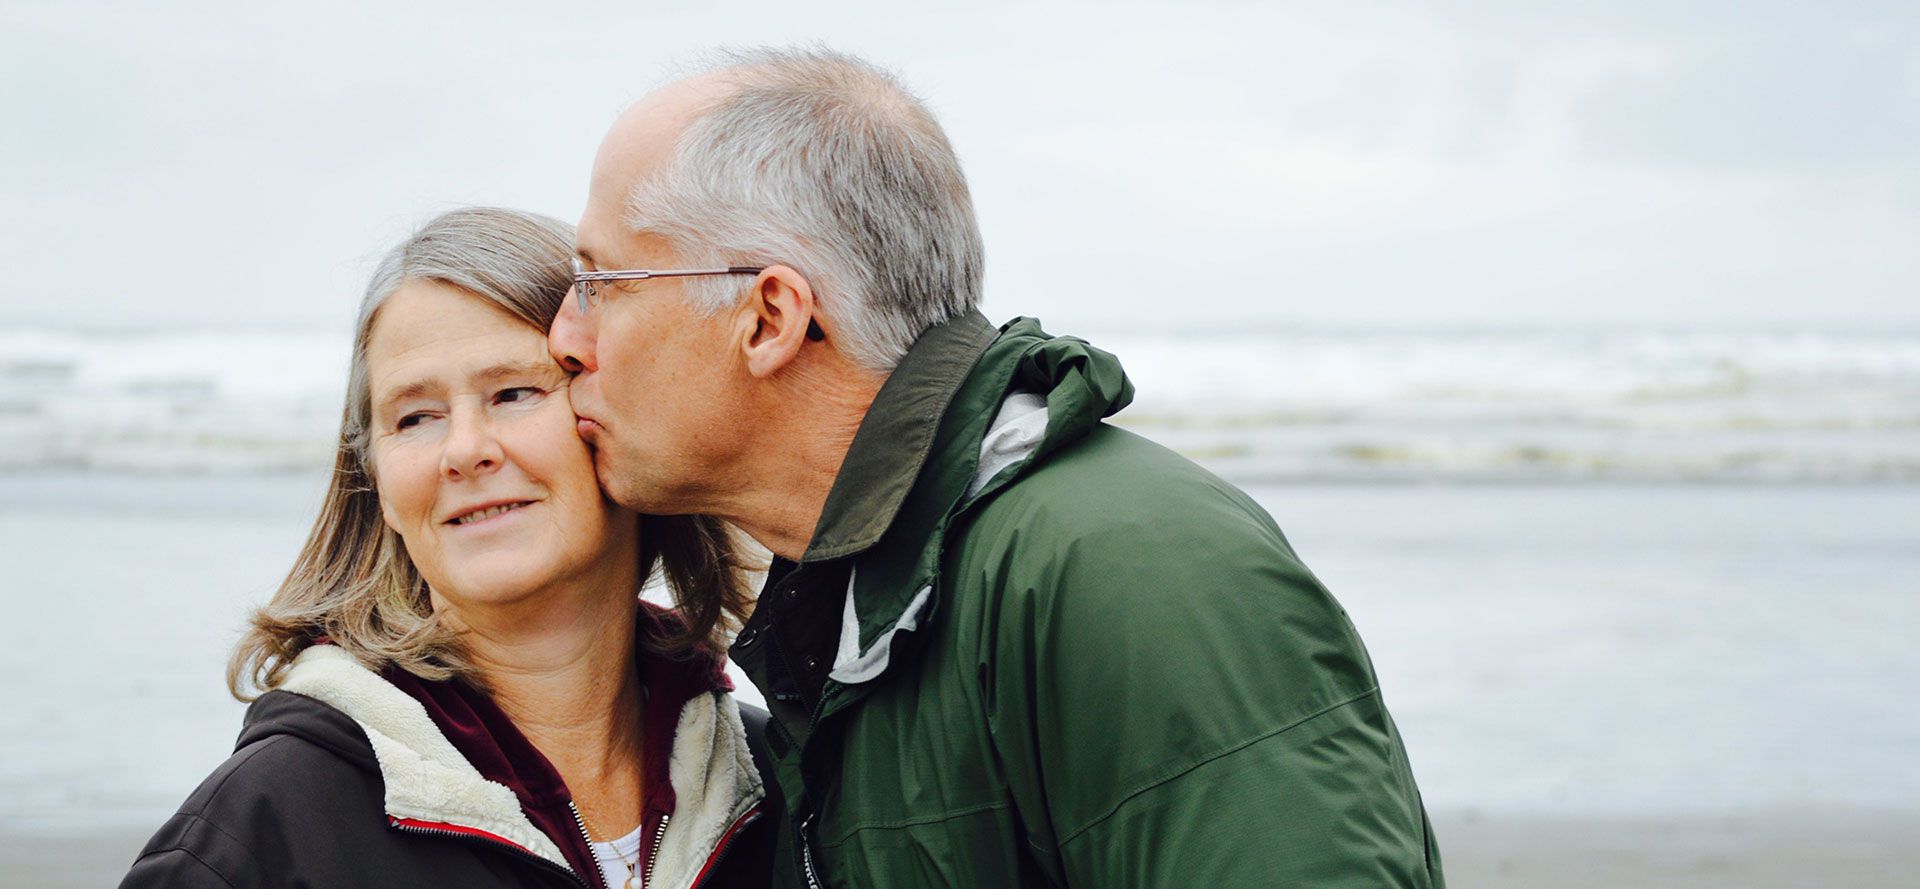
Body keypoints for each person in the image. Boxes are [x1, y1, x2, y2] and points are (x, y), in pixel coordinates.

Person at [548, 48, 1445, 888]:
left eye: (600, 284)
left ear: (770, 316)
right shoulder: (865, 606)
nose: (565, 339)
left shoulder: (1127, 571)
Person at [121, 207, 780, 889]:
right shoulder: (262, 830)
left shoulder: (779, 784)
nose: (464, 450)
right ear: (374, 476)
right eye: (415, 417)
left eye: (514, 392)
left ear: (618, 415)